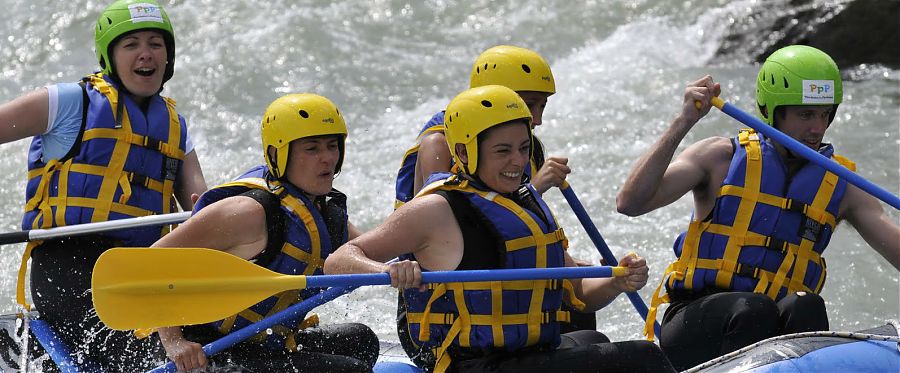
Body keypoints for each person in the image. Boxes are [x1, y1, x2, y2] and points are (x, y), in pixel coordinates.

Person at [326, 85, 675, 373]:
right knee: (643, 358)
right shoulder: (437, 208)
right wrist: (388, 271)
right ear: (463, 151)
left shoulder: (523, 200)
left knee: (591, 340)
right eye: (503, 151)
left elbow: (578, 291)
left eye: (524, 149)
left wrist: (616, 281)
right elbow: (339, 260)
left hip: (524, 357)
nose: (518, 162)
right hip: (476, 365)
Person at [616, 45, 900, 370]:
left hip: (772, 332)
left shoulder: (841, 184)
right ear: (772, 110)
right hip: (696, 319)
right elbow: (630, 202)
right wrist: (684, 122)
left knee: (806, 305)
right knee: (754, 308)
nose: (817, 128)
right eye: (805, 114)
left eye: (824, 114)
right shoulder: (719, 157)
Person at [0, 0, 207, 370]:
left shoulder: (175, 126)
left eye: (156, 44)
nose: (146, 54)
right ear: (109, 56)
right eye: (132, 45)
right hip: (70, 263)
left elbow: (200, 209)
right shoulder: (67, 102)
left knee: (209, 342)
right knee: (142, 357)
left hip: (141, 271)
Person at [152, 93, 379, 373]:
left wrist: (407, 261)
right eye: (312, 149)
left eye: (332, 146)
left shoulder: (323, 213)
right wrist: (174, 342)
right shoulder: (247, 211)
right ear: (276, 154)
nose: (327, 159)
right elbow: (155, 262)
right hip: (208, 352)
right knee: (350, 370)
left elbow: (371, 251)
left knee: (361, 340)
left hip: (263, 345)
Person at [393, 45, 596, 337]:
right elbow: (454, 219)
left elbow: (514, 224)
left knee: (578, 307)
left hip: (496, 288)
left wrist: (565, 263)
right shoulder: (438, 144)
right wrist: (537, 187)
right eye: (529, 105)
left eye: (542, 106)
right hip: (440, 310)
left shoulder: (524, 149)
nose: (536, 119)